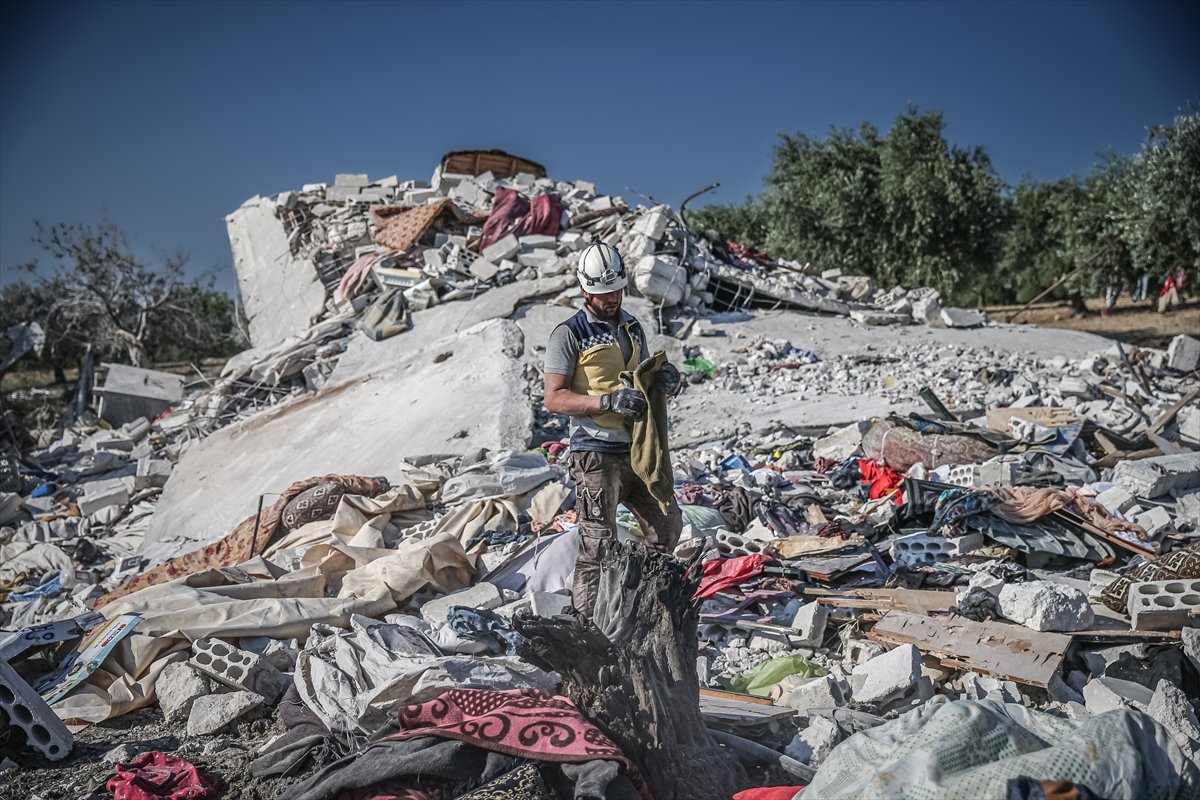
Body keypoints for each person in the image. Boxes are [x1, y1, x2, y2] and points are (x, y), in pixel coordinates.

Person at [543, 243, 684, 617]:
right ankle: (588, 627)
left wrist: (664, 379)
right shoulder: (568, 334)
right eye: (604, 294)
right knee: (597, 546)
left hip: (636, 450)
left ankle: (636, 604)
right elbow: (554, 398)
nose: (612, 299)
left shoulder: (633, 327)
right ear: (585, 290)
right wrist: (606, 402)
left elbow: (642, 376)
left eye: (617, 291)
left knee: (667, 527)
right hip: (595, 453)